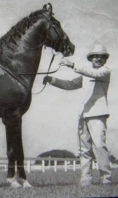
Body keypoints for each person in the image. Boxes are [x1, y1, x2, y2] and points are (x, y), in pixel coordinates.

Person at [43, 43, 112, 186]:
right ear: (91, 58)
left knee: (99, 146)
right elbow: (70, 85)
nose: (98, 59)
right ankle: (86, 179)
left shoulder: (105, 71)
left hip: (98, 114)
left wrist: (71, 65)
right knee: (84, 149)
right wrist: (52, 80)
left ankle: (106, 178)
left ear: (105, 59)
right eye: (95, 56)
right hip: (83, 115)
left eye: (101, 57)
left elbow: (94, 73)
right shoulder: (85, 74)